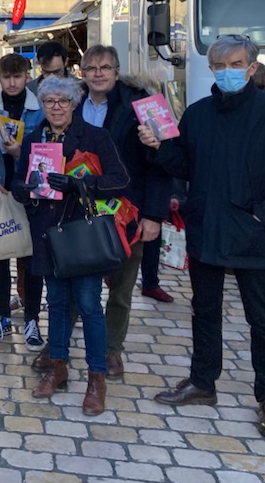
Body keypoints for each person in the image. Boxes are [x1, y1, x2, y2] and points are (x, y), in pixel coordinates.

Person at [142, 35, 265, 439]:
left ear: (252, 68)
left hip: (254, 233)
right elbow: (183, 163)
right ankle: (203, 382)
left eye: (234, 64)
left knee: (261, 318)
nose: (227, 72)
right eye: (219, 65)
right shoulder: (199, 114)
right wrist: (157, 147)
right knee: (204, 310)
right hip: (207, 228)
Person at [32, 45, 172, 382]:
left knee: (121, 288)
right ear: (81, 70)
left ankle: (112, 349)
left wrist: (154, 214)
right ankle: (58, 348)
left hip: (127, 210)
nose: (98, 73)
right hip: (76, 212)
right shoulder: (68, 101)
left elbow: (163, 165)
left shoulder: (142, 103)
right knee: (75, 280)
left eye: (105, 67)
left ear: (116, 69)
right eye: (91, 67)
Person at [15, 76, 129, 416]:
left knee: (90, 306)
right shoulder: (35, 138)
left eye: (63, 102)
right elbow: (22, 179)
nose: (56, 107)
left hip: (81, 236)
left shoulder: (96, 137)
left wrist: (80, 184)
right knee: (58, 303)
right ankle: (59, 366)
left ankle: (96, 378)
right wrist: (22, 190)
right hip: (49, 234)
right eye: (49, 101)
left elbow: (119, 180)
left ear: (74, 104)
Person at [0, 53, 46, 349]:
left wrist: (21, 155)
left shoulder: (39, 110)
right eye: (7, 77)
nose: (12, 82)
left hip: (31, 194)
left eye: (18, 76)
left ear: (27, 76)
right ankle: (1, 315)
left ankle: (31, 319)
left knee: (31, 259)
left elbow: (47, 154)